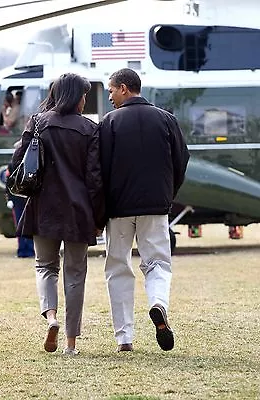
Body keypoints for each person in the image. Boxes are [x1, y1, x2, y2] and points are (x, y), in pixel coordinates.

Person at [11, 73, 105, 355]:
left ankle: (50, 318)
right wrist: (98, 218)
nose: (85, 100)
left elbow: (18, 162)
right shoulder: (90, 129)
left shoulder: (38, 122)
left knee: (45, 266)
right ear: (76, 96)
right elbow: (95, 178)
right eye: (84, 95)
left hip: (43, 208)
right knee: (75, 274)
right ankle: (70, 344)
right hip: (78, 211)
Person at [99, 68, 190, 352]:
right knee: (158, 263)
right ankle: (158, 304)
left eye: (111, 90)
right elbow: (181, 160)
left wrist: (102, 207)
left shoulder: (109, 122)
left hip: (118, 209)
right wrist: (167, 194)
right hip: (156, 205)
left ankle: (124, 338)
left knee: (118, 268)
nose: (110, 96)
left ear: (124, 88)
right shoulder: (167, 120)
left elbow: (99, 168)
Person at [5, 158, 35, 258]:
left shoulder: (33, 162)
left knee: (30, 224)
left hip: (29, 198)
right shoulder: (12, 164)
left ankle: (30, 249)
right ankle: (22, 250)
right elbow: (8, 182)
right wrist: (9, 198)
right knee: (19, 225)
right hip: (18, 199)